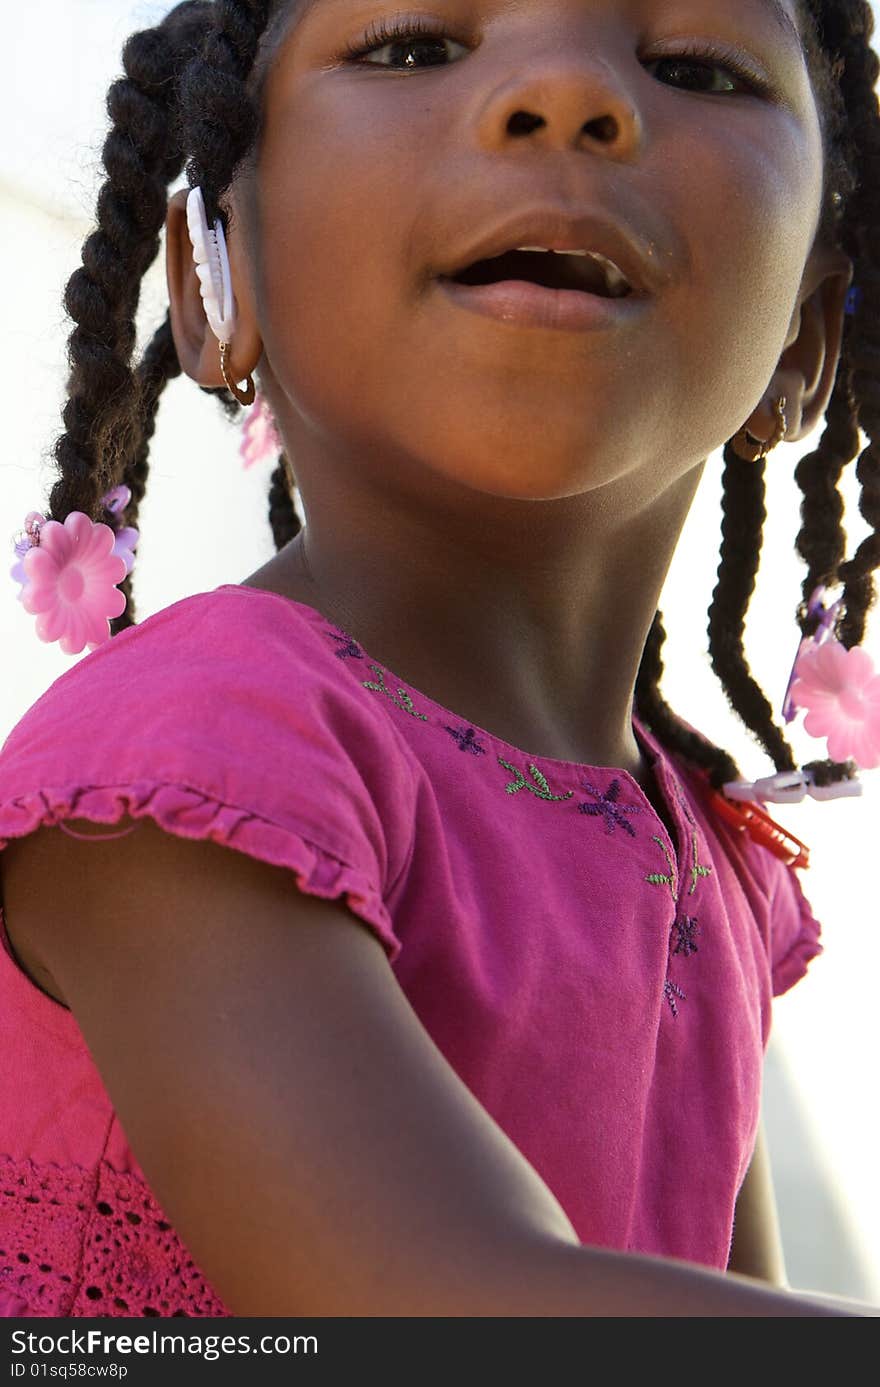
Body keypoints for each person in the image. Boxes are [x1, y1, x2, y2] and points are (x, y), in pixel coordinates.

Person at [0, 0, 878, 1318]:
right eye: (414, 47)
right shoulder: (184, 767)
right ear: (212, 273)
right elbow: (455, 1309)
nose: (570, 97)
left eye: (694, 65)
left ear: (806, 343)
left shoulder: (715, 869)